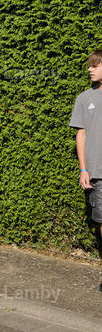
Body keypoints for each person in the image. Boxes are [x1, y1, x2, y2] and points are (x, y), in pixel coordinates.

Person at [69, 49, 102, 251]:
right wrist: (83, 169)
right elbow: (81, 134)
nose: (89, 69)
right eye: (89, 65)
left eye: (95, 65)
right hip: (98, 173)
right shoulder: (84, 98)